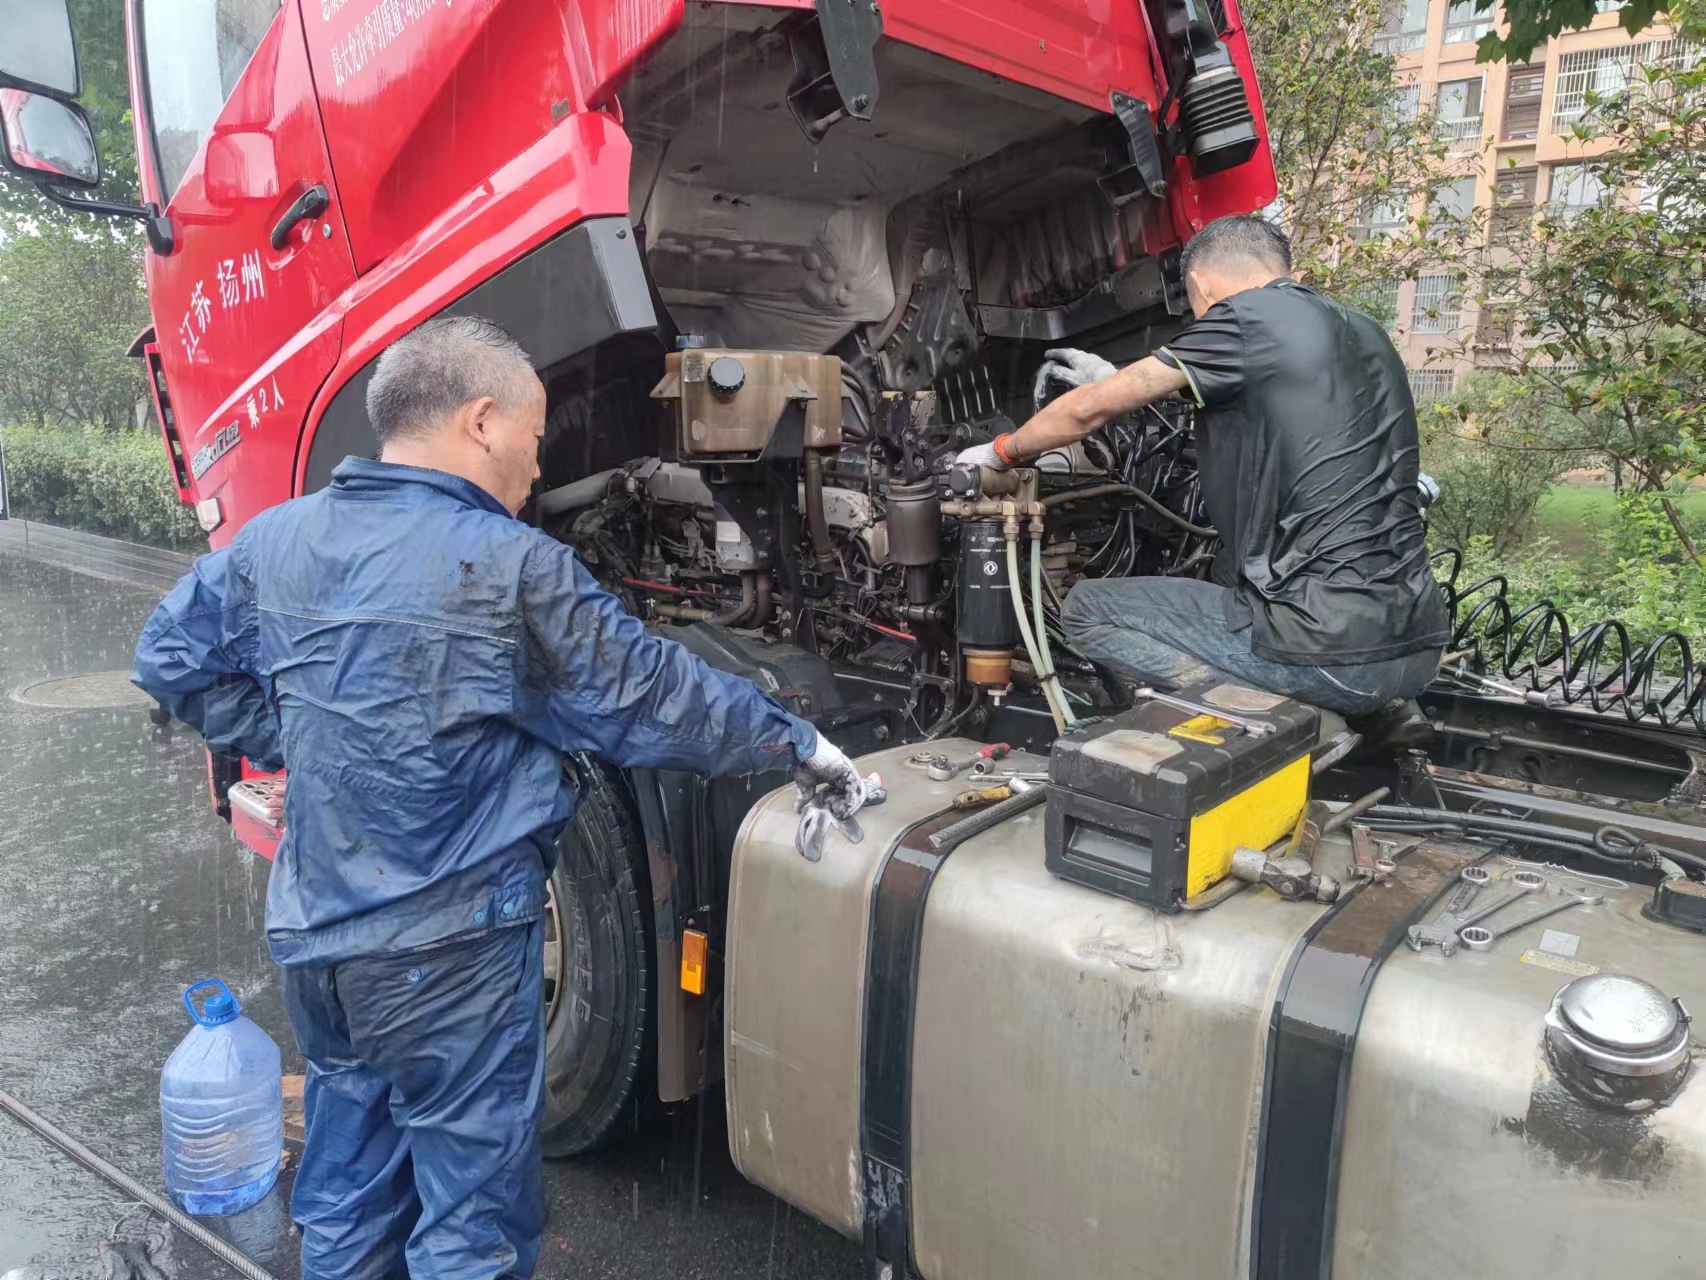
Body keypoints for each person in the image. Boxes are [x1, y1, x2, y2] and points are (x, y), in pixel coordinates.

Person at [132, 316, 865, 1280]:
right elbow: (648, 693)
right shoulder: (512, 566)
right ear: (480, 420)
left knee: (349, 1189)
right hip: (452, 954)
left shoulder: (278, 538)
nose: (537, 462)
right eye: (533, 433)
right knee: (470, 1227)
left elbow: (168, 657)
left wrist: (296, 733)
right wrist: (799, 741)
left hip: (319, 938)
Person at [956, 216, 1448, 720]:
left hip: (1328, 655)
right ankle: (1381, 716)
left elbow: (1086, 412)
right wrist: (1114, 376)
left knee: (1086, 610)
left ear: (1200, 285)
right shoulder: (1363, 329)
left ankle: (1273, 715)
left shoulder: (1244, 317)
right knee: (1230, 572)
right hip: (1418, 644)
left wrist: (1000, 453)